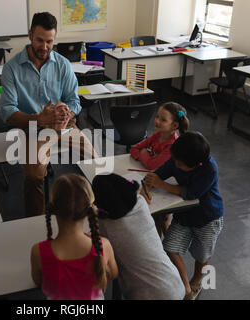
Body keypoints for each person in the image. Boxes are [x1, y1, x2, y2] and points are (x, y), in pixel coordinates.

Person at [0, 12, 97, 217]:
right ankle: (35, 221)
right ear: (30, 35)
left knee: (95, 161)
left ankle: (97, 213)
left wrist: (64, 112)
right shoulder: (11, 68)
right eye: (40, 40)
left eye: (50, 41)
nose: (44, 47)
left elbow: (75, 101)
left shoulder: (63, 64)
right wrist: (39, 119)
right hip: (32, 128)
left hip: (64, 125)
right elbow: (7, 112)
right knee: (34, 175)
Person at [142, 131, 224, 300]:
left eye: (180, 164)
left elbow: (191, 193)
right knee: (170, 248)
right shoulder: (179, 158)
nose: (176, 164)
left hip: (208, 218)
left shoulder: (209, 169)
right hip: (184, 215)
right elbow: (160, 172)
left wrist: (161, 184)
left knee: (202, 256)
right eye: (175, 160)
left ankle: (196, 281)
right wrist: (149, 184)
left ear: (197, 164)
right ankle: (185, 285)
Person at [92, 173, 185, 300]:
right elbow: (136, 183)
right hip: (174, 284)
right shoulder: (140, 204)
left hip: (146, 295)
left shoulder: (106, 224)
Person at [30, 174, 118, 300]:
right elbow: (113, 274)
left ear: (53, 210)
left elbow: (38, 281)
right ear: (89, 213)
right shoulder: (104, 246)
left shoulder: (37, 251)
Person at [130, 101, 189, 237]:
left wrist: (144, 154)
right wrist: (145, 156)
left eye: (163, 120)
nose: (157, 121)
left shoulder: (173, 144)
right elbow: (134, 148)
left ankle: (162, 244)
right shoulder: (157, 135)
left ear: (174, 126)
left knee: (160, 220)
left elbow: (153, 165)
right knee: (153, 219)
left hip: (167, 188)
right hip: (153, 181)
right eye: (157, 117)